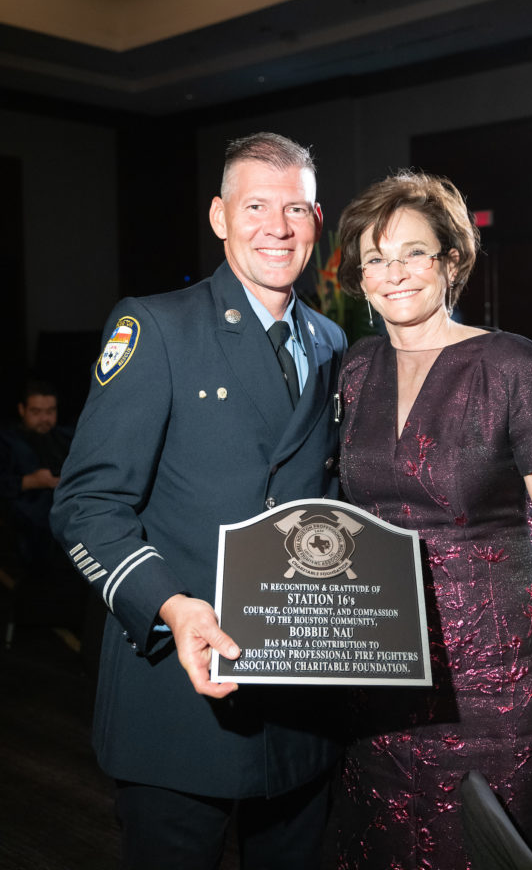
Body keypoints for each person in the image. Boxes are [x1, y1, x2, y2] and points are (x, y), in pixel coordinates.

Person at [51, 133, 347, 870]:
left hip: (301, 701)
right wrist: (170, 606)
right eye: (254, 206)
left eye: (295, 208)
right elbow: (86, 504)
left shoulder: (335, 341)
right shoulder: (157, 326)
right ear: (219, 217)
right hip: (177, 700)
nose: (276, 228)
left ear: (317, 219)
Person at [333, 171, 532, 869]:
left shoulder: (517, 368)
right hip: (384, 677)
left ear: (452, 261)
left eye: (413, 253)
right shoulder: (355, 370)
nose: (393, 274)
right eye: (375, 259)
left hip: (496, 684)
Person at [0, 381, 71, 571]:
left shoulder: (65, 436)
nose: (44, 418)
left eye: (50, 411)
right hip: (26, 526)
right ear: (22, 410)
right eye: (36, 412)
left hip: (68, 520)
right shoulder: (7, 440)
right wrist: (30, 481)